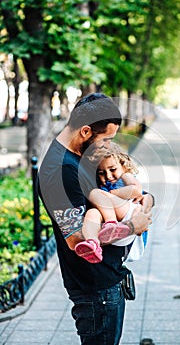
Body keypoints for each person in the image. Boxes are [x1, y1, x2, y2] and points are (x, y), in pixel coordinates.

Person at [38, 92, 154, 345]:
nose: (108, 145)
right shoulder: (60, 171)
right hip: (95, 289)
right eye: (107, 139)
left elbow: (115, 187)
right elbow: (76, 239)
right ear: (86, 131)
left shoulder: (83, 156)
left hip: (107, 279)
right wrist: (133, 227)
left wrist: (146, 199)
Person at [75, 141, 148, 264]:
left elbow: (136, 190)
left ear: (123, 165)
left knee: (94, 193)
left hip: (128, 215)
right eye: (101, 173)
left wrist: (111, 194)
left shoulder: (126, 176)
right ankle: (93, 244)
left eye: (113, 169)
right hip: (117, 234)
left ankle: (111, 223)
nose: (108, 176)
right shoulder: (102, 184)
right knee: (92, 213)